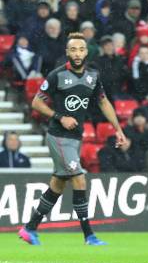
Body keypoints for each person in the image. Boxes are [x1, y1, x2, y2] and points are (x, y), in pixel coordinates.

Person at [20, 32, 127, 246]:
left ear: (86, 52)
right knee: (79, 178)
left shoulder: (93, 76)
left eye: (81, 49)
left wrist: (118, 129)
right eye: (73, 50)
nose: (77, 53)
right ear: (67, 52)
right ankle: (89, 235)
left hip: (75, 138)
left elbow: (103, 102)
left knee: (58, 185)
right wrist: (60, 117)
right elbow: (37, 103)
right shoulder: (57, 76)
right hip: (58, 136)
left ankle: (29, 228)